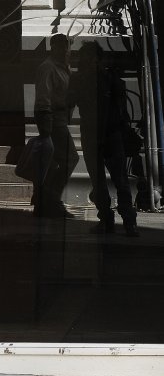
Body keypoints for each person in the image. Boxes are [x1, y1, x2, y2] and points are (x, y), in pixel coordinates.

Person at [68, 42, 139, 236]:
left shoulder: (90, 79)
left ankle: (113, 220)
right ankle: (125, 222)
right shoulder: (108, 79)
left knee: (109, 180)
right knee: (116, 180)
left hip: (102, 133)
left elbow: (69, 104)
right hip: (108, 133)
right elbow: (122, 111)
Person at [33, 33, 79, 218]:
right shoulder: (48, 68)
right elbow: (43, 98)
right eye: (60, 46)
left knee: (53, 163)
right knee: (70, 158)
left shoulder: (64, 67)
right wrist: (46, 127)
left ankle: (43, 202)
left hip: (60, 119)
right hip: (52, 119)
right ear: (53, 47)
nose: (64, 50)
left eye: (66, 46)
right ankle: (52, 199)